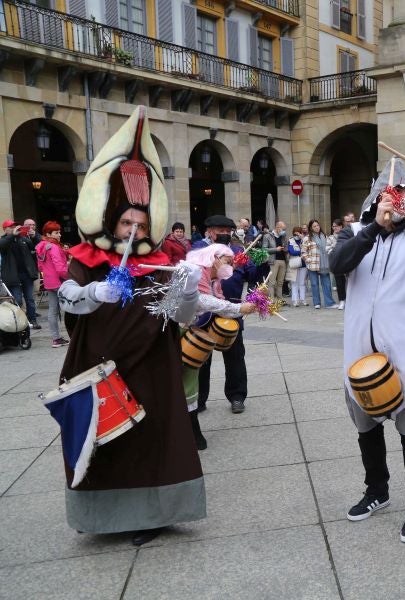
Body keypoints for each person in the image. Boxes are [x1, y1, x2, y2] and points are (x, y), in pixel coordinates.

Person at [55, 105, 204, 546]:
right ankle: (100, 516)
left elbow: (182, 318)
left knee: (148, 442)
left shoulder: (161, 267)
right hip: (95, 363)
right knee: (100, 442)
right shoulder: (85, 262)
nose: (133, 229)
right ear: (111, 221)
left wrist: (189, 291)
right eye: (126, 221)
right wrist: (90, 294)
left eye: (140, 222)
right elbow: (64, 298)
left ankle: (152, 515)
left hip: (151, 368)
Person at [331, 160, 405, 544]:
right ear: (376, 200)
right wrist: (373, 229)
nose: (396, 205)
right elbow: (337, 263)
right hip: (358, 349)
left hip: (402, 349)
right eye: (390, 197)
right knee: (366, 427)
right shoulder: (355, 233)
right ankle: (377, 491)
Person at [182, 243, 257, 449]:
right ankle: (189, 433)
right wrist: (238, 308)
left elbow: (216, 300)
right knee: (186, 381)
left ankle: (192, 432)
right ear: (214, 257)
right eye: (227, 261)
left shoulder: (212, 278)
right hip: (175, 330)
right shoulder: (195, 272)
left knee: (187, 381)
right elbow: (203, 301)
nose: (230, 266)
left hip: (185, 326)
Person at [193, 214, 256, 414]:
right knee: (200, 357)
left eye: (229, 231)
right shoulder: (197, 251)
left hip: (232, 311)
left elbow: (252, 274)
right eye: (221, 231)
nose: (226, 234)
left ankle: (237, 396)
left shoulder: (238, 251)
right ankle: (199, 399)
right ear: (210, 232)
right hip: (204, 313)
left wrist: (259, 263)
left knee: (235, 356)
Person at [35, 221, 70, 347]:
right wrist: (70, 276)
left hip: (49, 282)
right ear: (48, 234)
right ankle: (77, 335)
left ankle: (56, 339)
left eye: (59, 232)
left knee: (53, 310)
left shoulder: (40, 246)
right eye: (56, 232)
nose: (59, 234)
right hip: (59, 281)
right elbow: (60, 268)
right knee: (73, 307)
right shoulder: (54, 247)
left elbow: (40, 267)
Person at [0, 219, 40, 328]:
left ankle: (33, 320)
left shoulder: (23, 239)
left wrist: (34, 236)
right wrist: (12, 235)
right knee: (17, 300)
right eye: (11, 227)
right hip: (13, 276)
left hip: (26, 274)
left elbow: (37, 246)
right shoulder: (4, 240)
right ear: (5, 229)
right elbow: (2, 246)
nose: (14, 228)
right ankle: (20, 322)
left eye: (15, 226)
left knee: (30, 299)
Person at [303, 219, 337, 309]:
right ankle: (316, 303)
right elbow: (303, 252)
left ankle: (329, 303)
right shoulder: (307, 238)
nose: (317, 227)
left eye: (317, 225)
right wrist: (309, 260)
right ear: (311, 228)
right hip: (313, 264)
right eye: (314, 226)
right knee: (314, 284)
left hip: (324, 263)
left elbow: (328, 248)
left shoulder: (325, 236)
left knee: (326, 283)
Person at [263, 221, 288, 301]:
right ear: (277, 227)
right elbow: (264, 249)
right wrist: (275, 249)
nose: (284, 231)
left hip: (283, 260)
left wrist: (286, 248)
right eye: (283, 229)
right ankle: (271, 300)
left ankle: (280, 300)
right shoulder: (267, 236)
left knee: (280, 282)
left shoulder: (283, 236)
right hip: (273, 261)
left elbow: (286, 246)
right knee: (272, 282)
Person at [286, 225, 309, 307]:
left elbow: (308, 249)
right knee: (294, 283)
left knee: (302, 283)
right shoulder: (290, 240)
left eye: (298, 233)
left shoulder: (304, 240)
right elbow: (291, 251)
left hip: (303, 264)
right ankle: (295, 300)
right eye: (295, 233)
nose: (297, 235)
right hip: (294, 263)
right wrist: (301, 251)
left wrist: (302, 239)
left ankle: (303, 299)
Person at [327, 219, 346, 309]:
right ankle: (342, 300)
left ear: (341, 226)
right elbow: (327, 249)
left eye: (336, 226)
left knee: (350, 282)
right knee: (339, 282)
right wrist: (335, 250)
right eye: (333, 226)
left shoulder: (347, 235)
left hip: (347, 261)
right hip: (337, 262)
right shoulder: (330, 237)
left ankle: (350, 300)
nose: (335, 228)